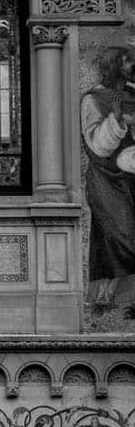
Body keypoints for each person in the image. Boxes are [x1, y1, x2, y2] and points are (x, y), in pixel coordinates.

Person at [81, 46, 135, 311]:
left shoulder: (131, 96)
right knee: (116, 236)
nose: (131, 68)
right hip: (105, 179)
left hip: (130, 177)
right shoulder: (92, 100)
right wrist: (114, 117)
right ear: (113, 67)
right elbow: (97, 145)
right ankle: (105, 298)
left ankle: (123, 299)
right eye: (126, 63)